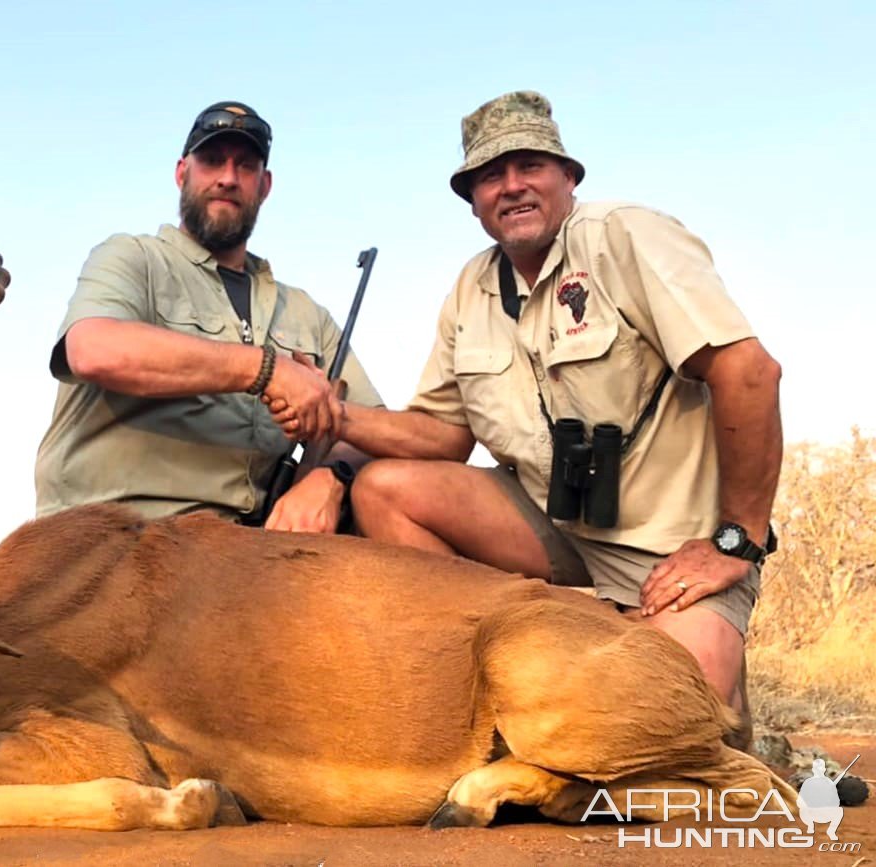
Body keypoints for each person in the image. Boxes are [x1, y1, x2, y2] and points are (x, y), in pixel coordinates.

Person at [333, 91, 782, 711]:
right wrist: (331, 413)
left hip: (672, 548)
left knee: (659, 720)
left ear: (568, 177)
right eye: (491, 176)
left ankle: (702, 686)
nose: (512, 187)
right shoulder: (471, 287)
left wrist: (735, 541)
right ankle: (481, 682)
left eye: (531, 166)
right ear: (473, 202)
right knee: (382, 490)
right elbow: (442, 435)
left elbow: (749, 373)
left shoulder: (623, 235)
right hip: (559, 524)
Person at [35, 101, 382, 532]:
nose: (228, 178)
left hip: (248, 549)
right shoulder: (131, 257)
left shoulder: (308, 314)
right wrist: (266, 371)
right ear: (182, 172)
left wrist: (331, 478)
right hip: (111, 536)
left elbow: (374, 430)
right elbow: (92, 350)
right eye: (212, 161)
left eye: (246, 166)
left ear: (265, 185)